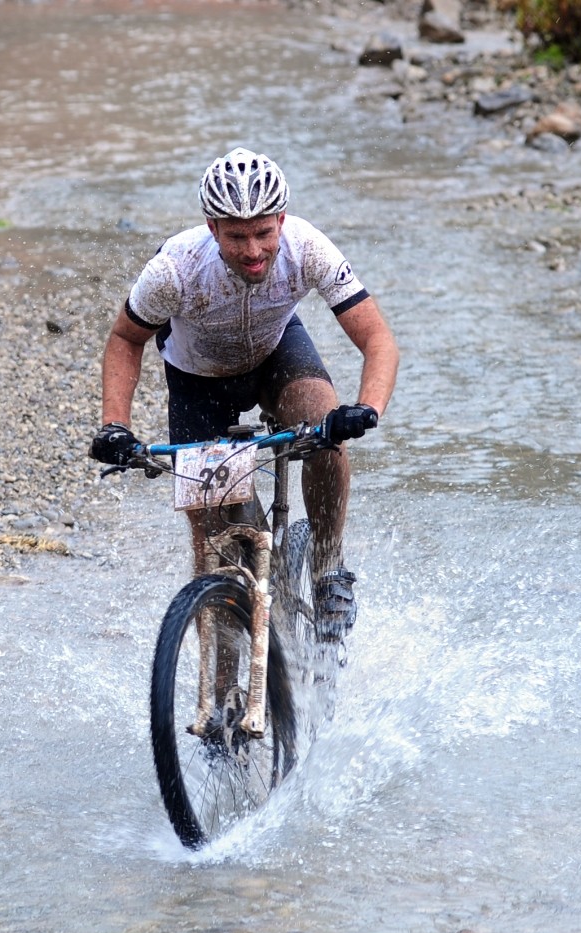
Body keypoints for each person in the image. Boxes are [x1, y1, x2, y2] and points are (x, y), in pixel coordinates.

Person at [90, 147, 399, 641]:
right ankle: (221, 701)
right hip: (197, 379)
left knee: (323, 423)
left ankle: (327, 569)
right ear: (213, 229)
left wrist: (366, 409)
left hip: (277, 355)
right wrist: (115, 425)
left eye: (263, 233)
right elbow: (126, 339)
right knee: (217, 554)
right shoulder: (175, 269)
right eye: (236, 236)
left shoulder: (308, 247)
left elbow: (377, 339)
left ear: (280, 220)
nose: (253, 251)